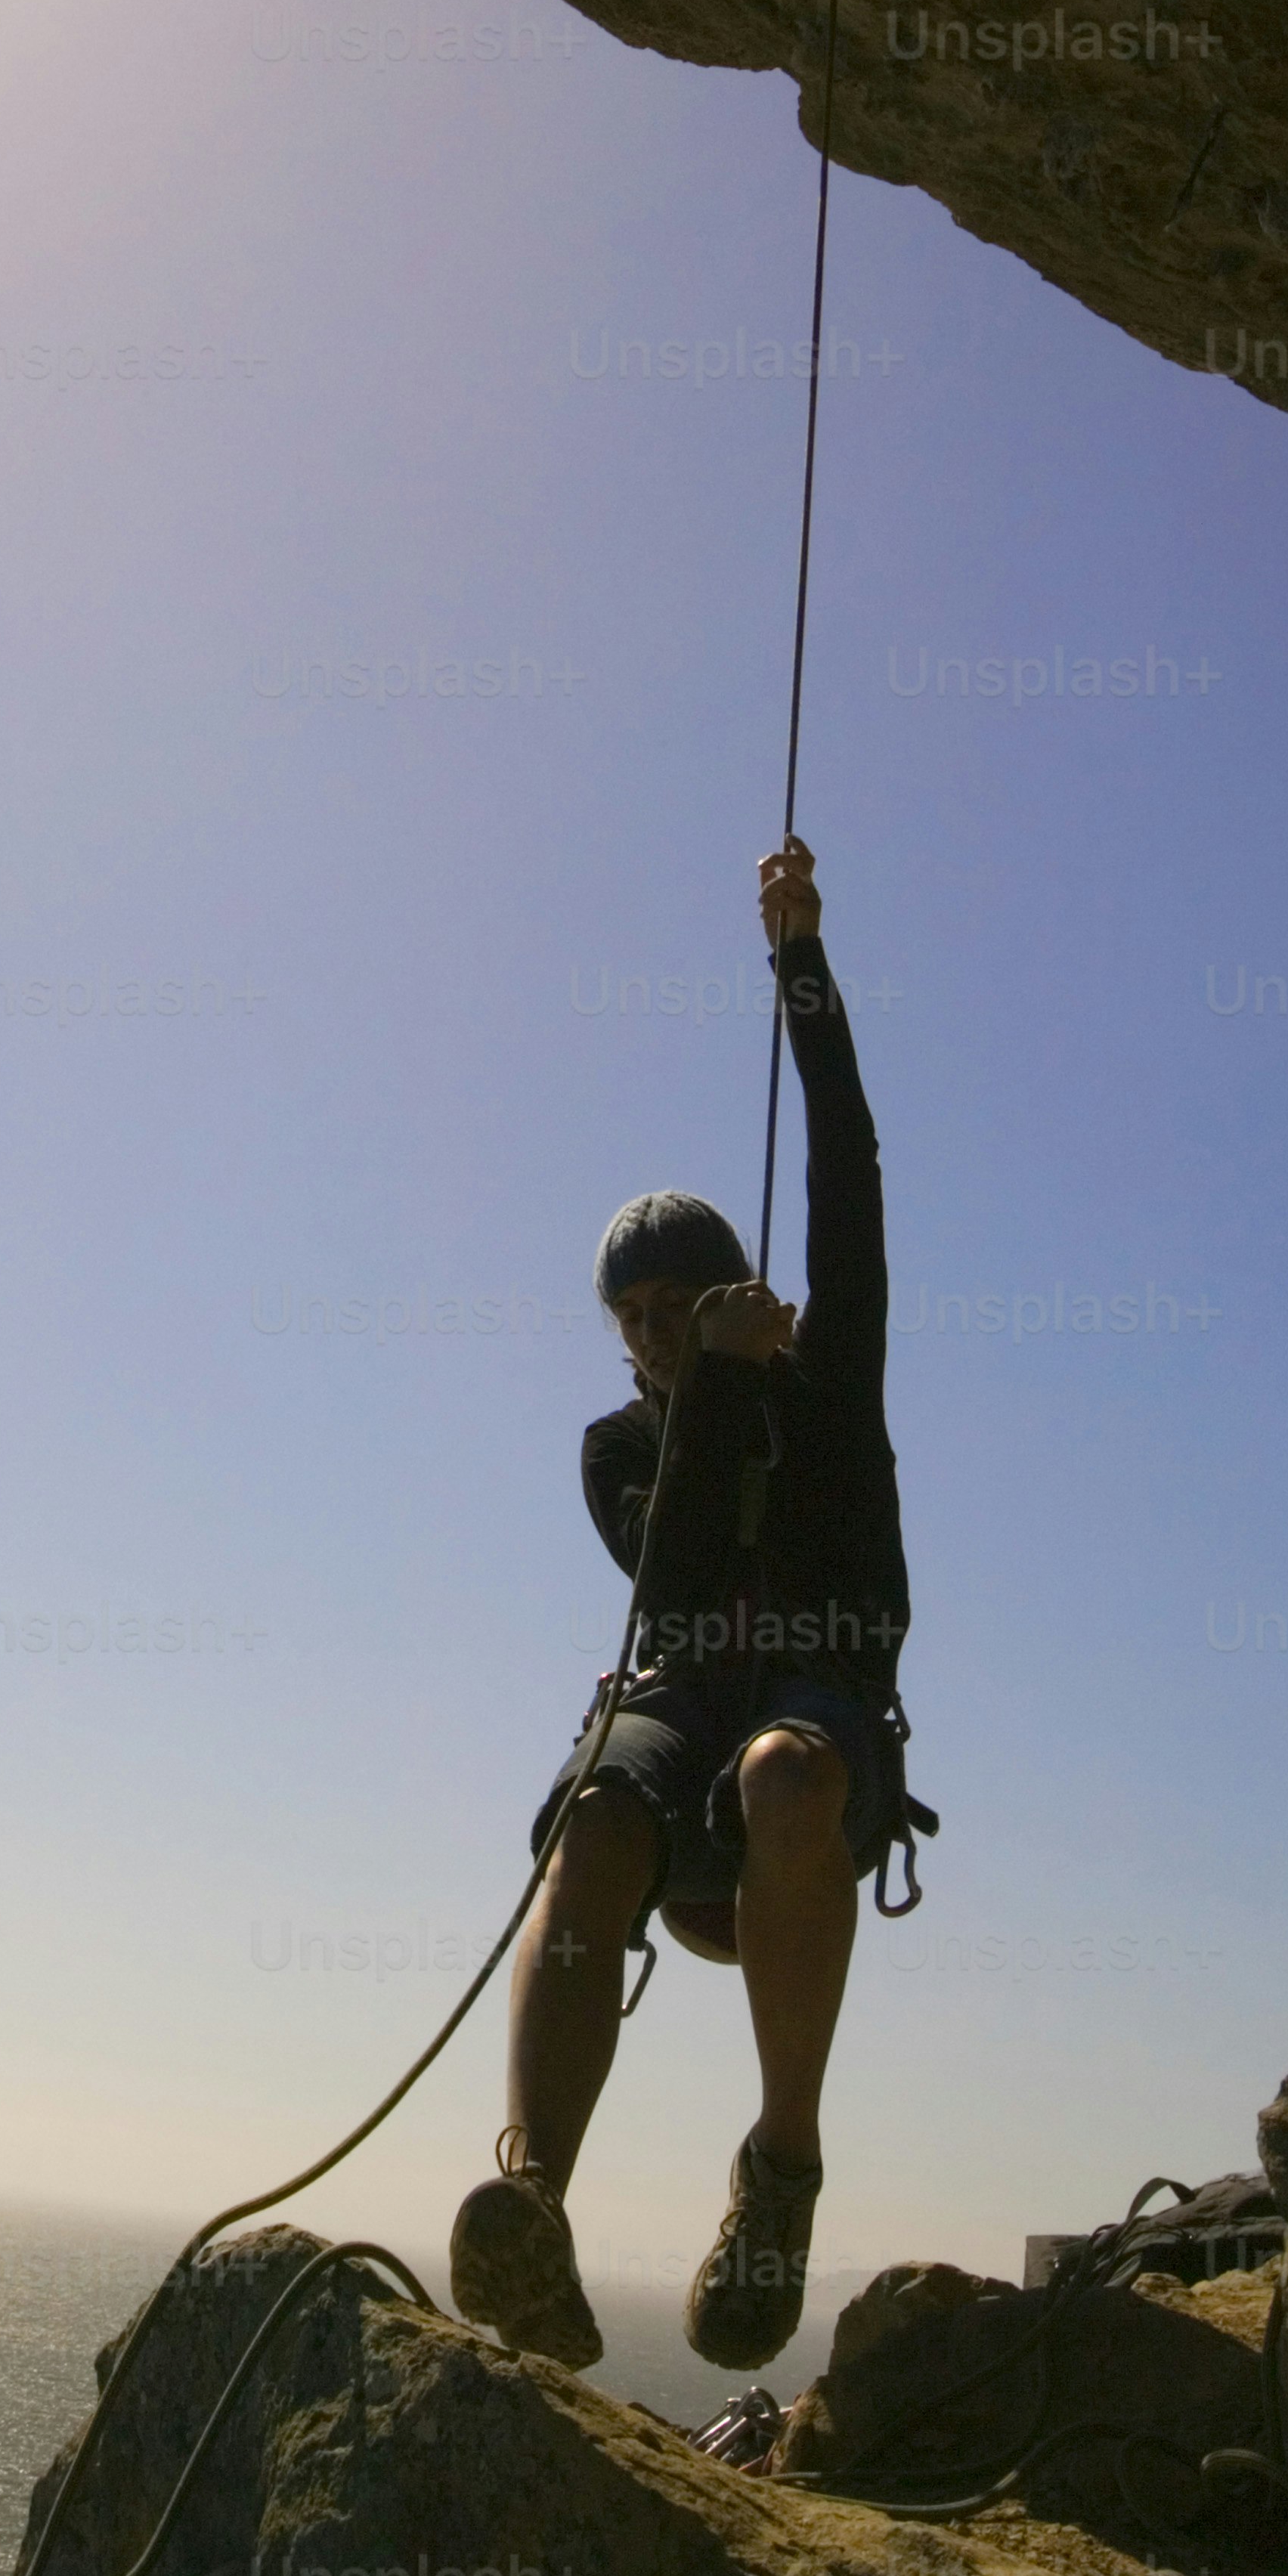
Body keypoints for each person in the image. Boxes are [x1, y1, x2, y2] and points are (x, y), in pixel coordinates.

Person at [447, 834, 913, 2376]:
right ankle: (531, 2203)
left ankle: (779, 2168)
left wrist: (800, 962)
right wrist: (707, 1388)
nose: (649, 1336)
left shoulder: (831, 1390)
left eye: (673, 1305)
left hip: (809, 1723)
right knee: (586, 1816)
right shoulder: (621, 1446)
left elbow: (842, 1165)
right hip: (672, 1705)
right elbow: (683, 1565)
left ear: (730, 1282)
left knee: (786, 1774)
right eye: (629, 1320)